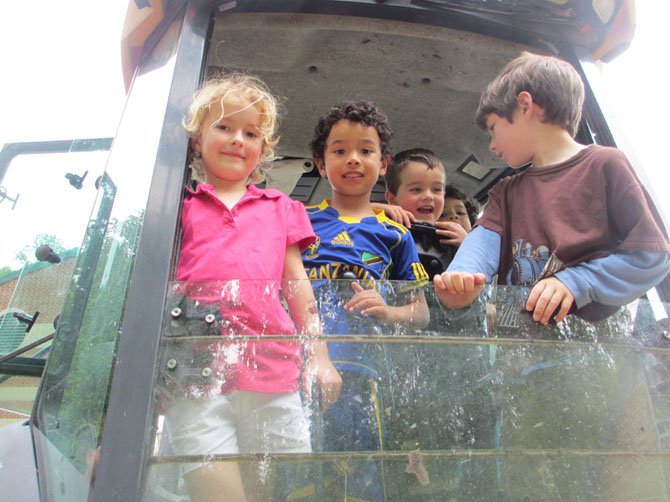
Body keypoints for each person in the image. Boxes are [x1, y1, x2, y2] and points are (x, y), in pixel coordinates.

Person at [166, 73, 341, 502]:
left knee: (264, 492)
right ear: (196, 139)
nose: (237, 140)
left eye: (250, 133)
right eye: (223, 127)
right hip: (196, 371)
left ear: (263, 149)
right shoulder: (177, 206)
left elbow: (296, 283)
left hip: (270, 366)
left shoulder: (281, 208)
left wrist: (319, 355)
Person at [435, 51, 670, 324]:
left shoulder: (605, 165)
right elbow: (481, 245)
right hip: (521, 353)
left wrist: (577, 281)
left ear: (525, 106)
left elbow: (651, 256)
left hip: (589, 352)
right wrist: (460, 279)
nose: (492, 145)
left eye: (493, 128)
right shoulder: (505, 192)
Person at [302, 100, 429, 500]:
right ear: (322, 164)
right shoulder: (299, 220)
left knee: (361, 474)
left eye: (365, 150)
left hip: (364, 373)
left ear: (383, 162)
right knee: (300, 468)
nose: (353, 159)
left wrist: (389, 309)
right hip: (299, 365)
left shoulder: (396, 235)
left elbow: (421, 313)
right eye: (339, 151)